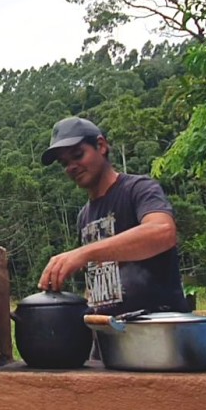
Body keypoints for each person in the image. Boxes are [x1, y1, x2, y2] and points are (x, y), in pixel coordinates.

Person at [36, 117, 190, 317]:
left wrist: (83, 254)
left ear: (101, 146)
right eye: (64, 163)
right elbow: (96, 281)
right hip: (109, 331)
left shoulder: (139, 189)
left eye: (78, 155)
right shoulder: (84, 216)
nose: (71, 167)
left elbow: (163, 232)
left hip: (156, 327)